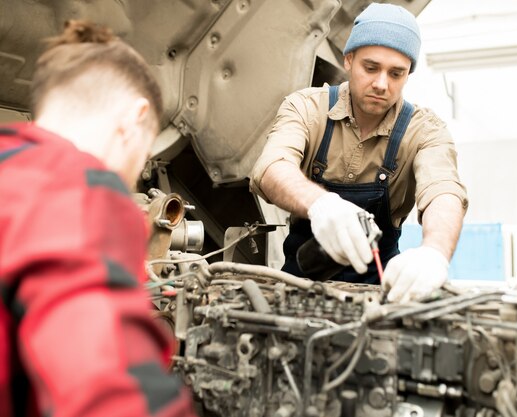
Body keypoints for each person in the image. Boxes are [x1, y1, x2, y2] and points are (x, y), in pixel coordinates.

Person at [0, 21, 196, 417]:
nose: (133, 174)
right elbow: (108, 384)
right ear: (133, 118)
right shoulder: (78, 189)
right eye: (144, 154)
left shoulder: (13, 167)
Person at [250, 3, 468, 303]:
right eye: (371, 67)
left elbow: (443, 192)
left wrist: (435, 252)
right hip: (296, 291)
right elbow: (271, 167)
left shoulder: (425, 131)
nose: (381, 84)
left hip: (378, 298)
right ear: (349, 59)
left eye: (396, 73)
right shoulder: (306, 108)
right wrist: (321, 204)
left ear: (408, 74)